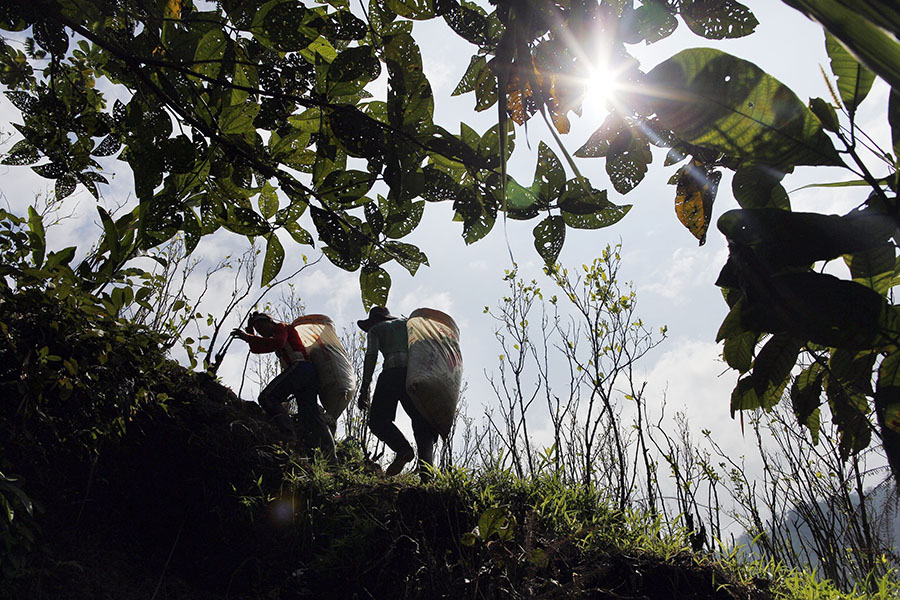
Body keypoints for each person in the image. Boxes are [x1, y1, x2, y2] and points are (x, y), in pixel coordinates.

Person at [231, 312, 336, 460]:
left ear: (270, 322)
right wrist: (250, 334)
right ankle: (329, 456)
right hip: (308, 373)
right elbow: (258, 348)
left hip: (300, 368)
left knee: (268, 397)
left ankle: (288, 436)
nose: (261, 332)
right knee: (310, 416)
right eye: (258, 330)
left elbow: (277, 343)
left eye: (261, 327)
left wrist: (249, 337)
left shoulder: (281, 327)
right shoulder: (275, 334)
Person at [357, 306, 439, 477]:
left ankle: (403, 449)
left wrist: (364, 387)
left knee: (378, 421)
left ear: (375, 320)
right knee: (422, 423)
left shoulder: (376, 329)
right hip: (415, 375)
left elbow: (371, 356)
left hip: (391, 374)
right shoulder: (408, 324)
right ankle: (427, 475)